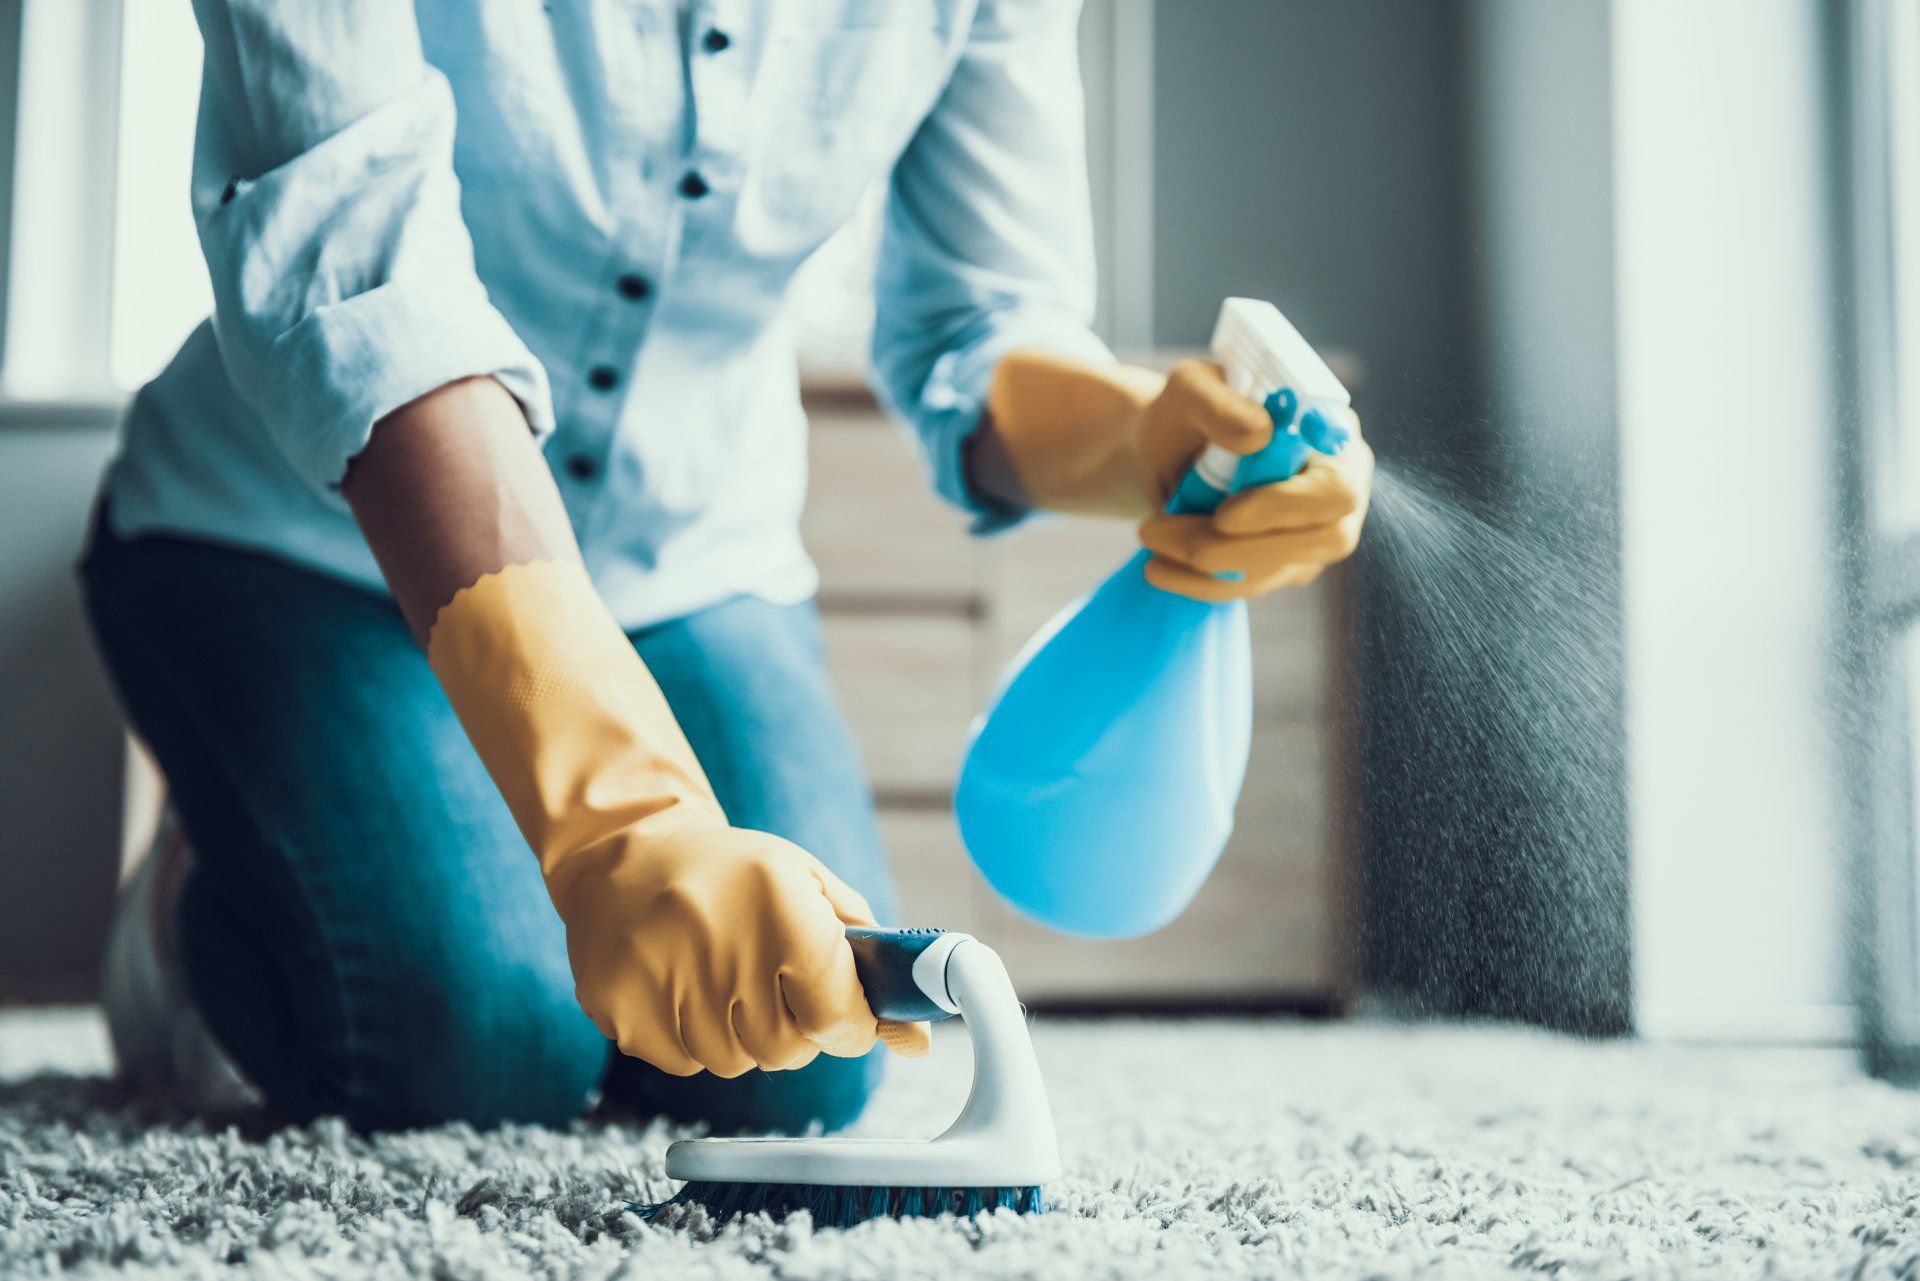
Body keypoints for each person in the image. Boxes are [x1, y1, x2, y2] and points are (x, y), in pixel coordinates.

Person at [83, 0, 1374, 1133]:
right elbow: (356, 253)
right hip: (291, 529)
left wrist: (1145, 436)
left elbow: (983, 322)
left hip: (684, 554)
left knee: (796, 1046)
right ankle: (196, 902)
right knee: (476, 1034)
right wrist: (622, 816)